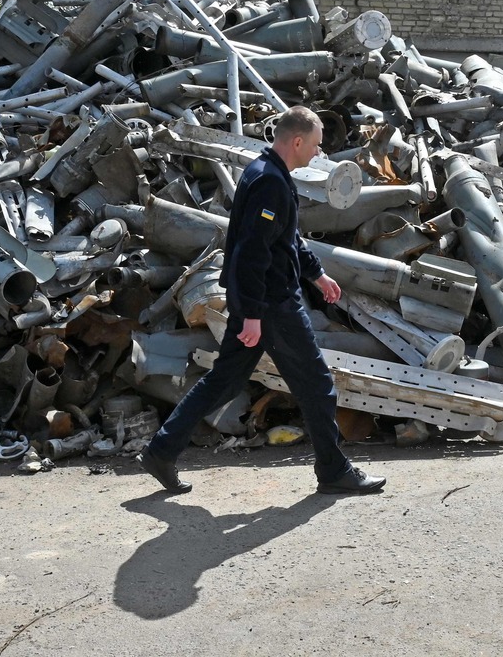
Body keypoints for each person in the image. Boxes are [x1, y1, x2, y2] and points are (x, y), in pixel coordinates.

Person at [137, 106, 386, 495]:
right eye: (317, 146)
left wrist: (315, 273)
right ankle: (334, 472)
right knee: (318, 385)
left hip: (259, 303)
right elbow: (252, 254)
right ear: (298, 141)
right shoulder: (269, 181)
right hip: (271, 305)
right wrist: (252, 313)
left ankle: (161, 451)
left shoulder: (266, 172)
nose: (319, 154)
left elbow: (285, 240)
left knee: (224, 380)